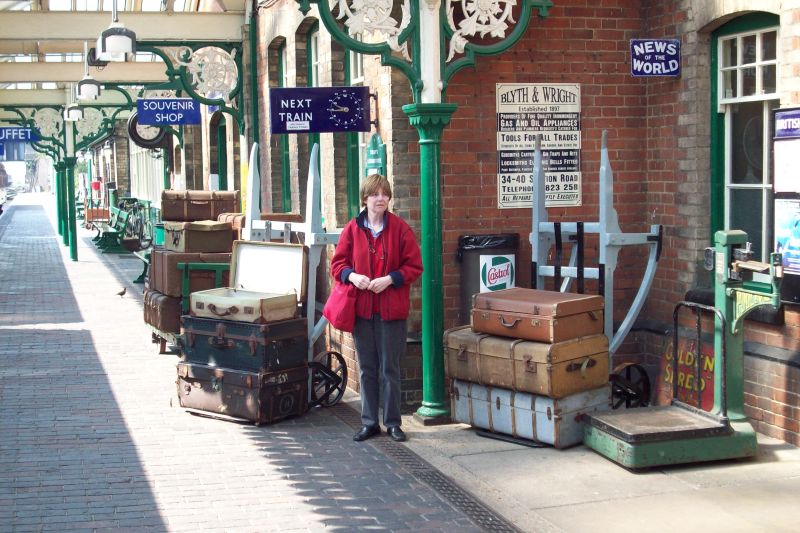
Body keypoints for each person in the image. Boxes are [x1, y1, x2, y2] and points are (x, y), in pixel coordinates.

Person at [330, 173, 423, 442]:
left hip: (391, 311)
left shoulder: (400, 229)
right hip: (362, 311)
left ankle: (393, 422)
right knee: (367, 368)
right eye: (375, 194)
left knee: (390, 368)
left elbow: (414, 266)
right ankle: (369, 422)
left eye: (384, 194)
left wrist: (390, 279)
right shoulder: (352, 229)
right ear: (365, 198)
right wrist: (352, 276)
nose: (380, 198)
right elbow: (337, 264)